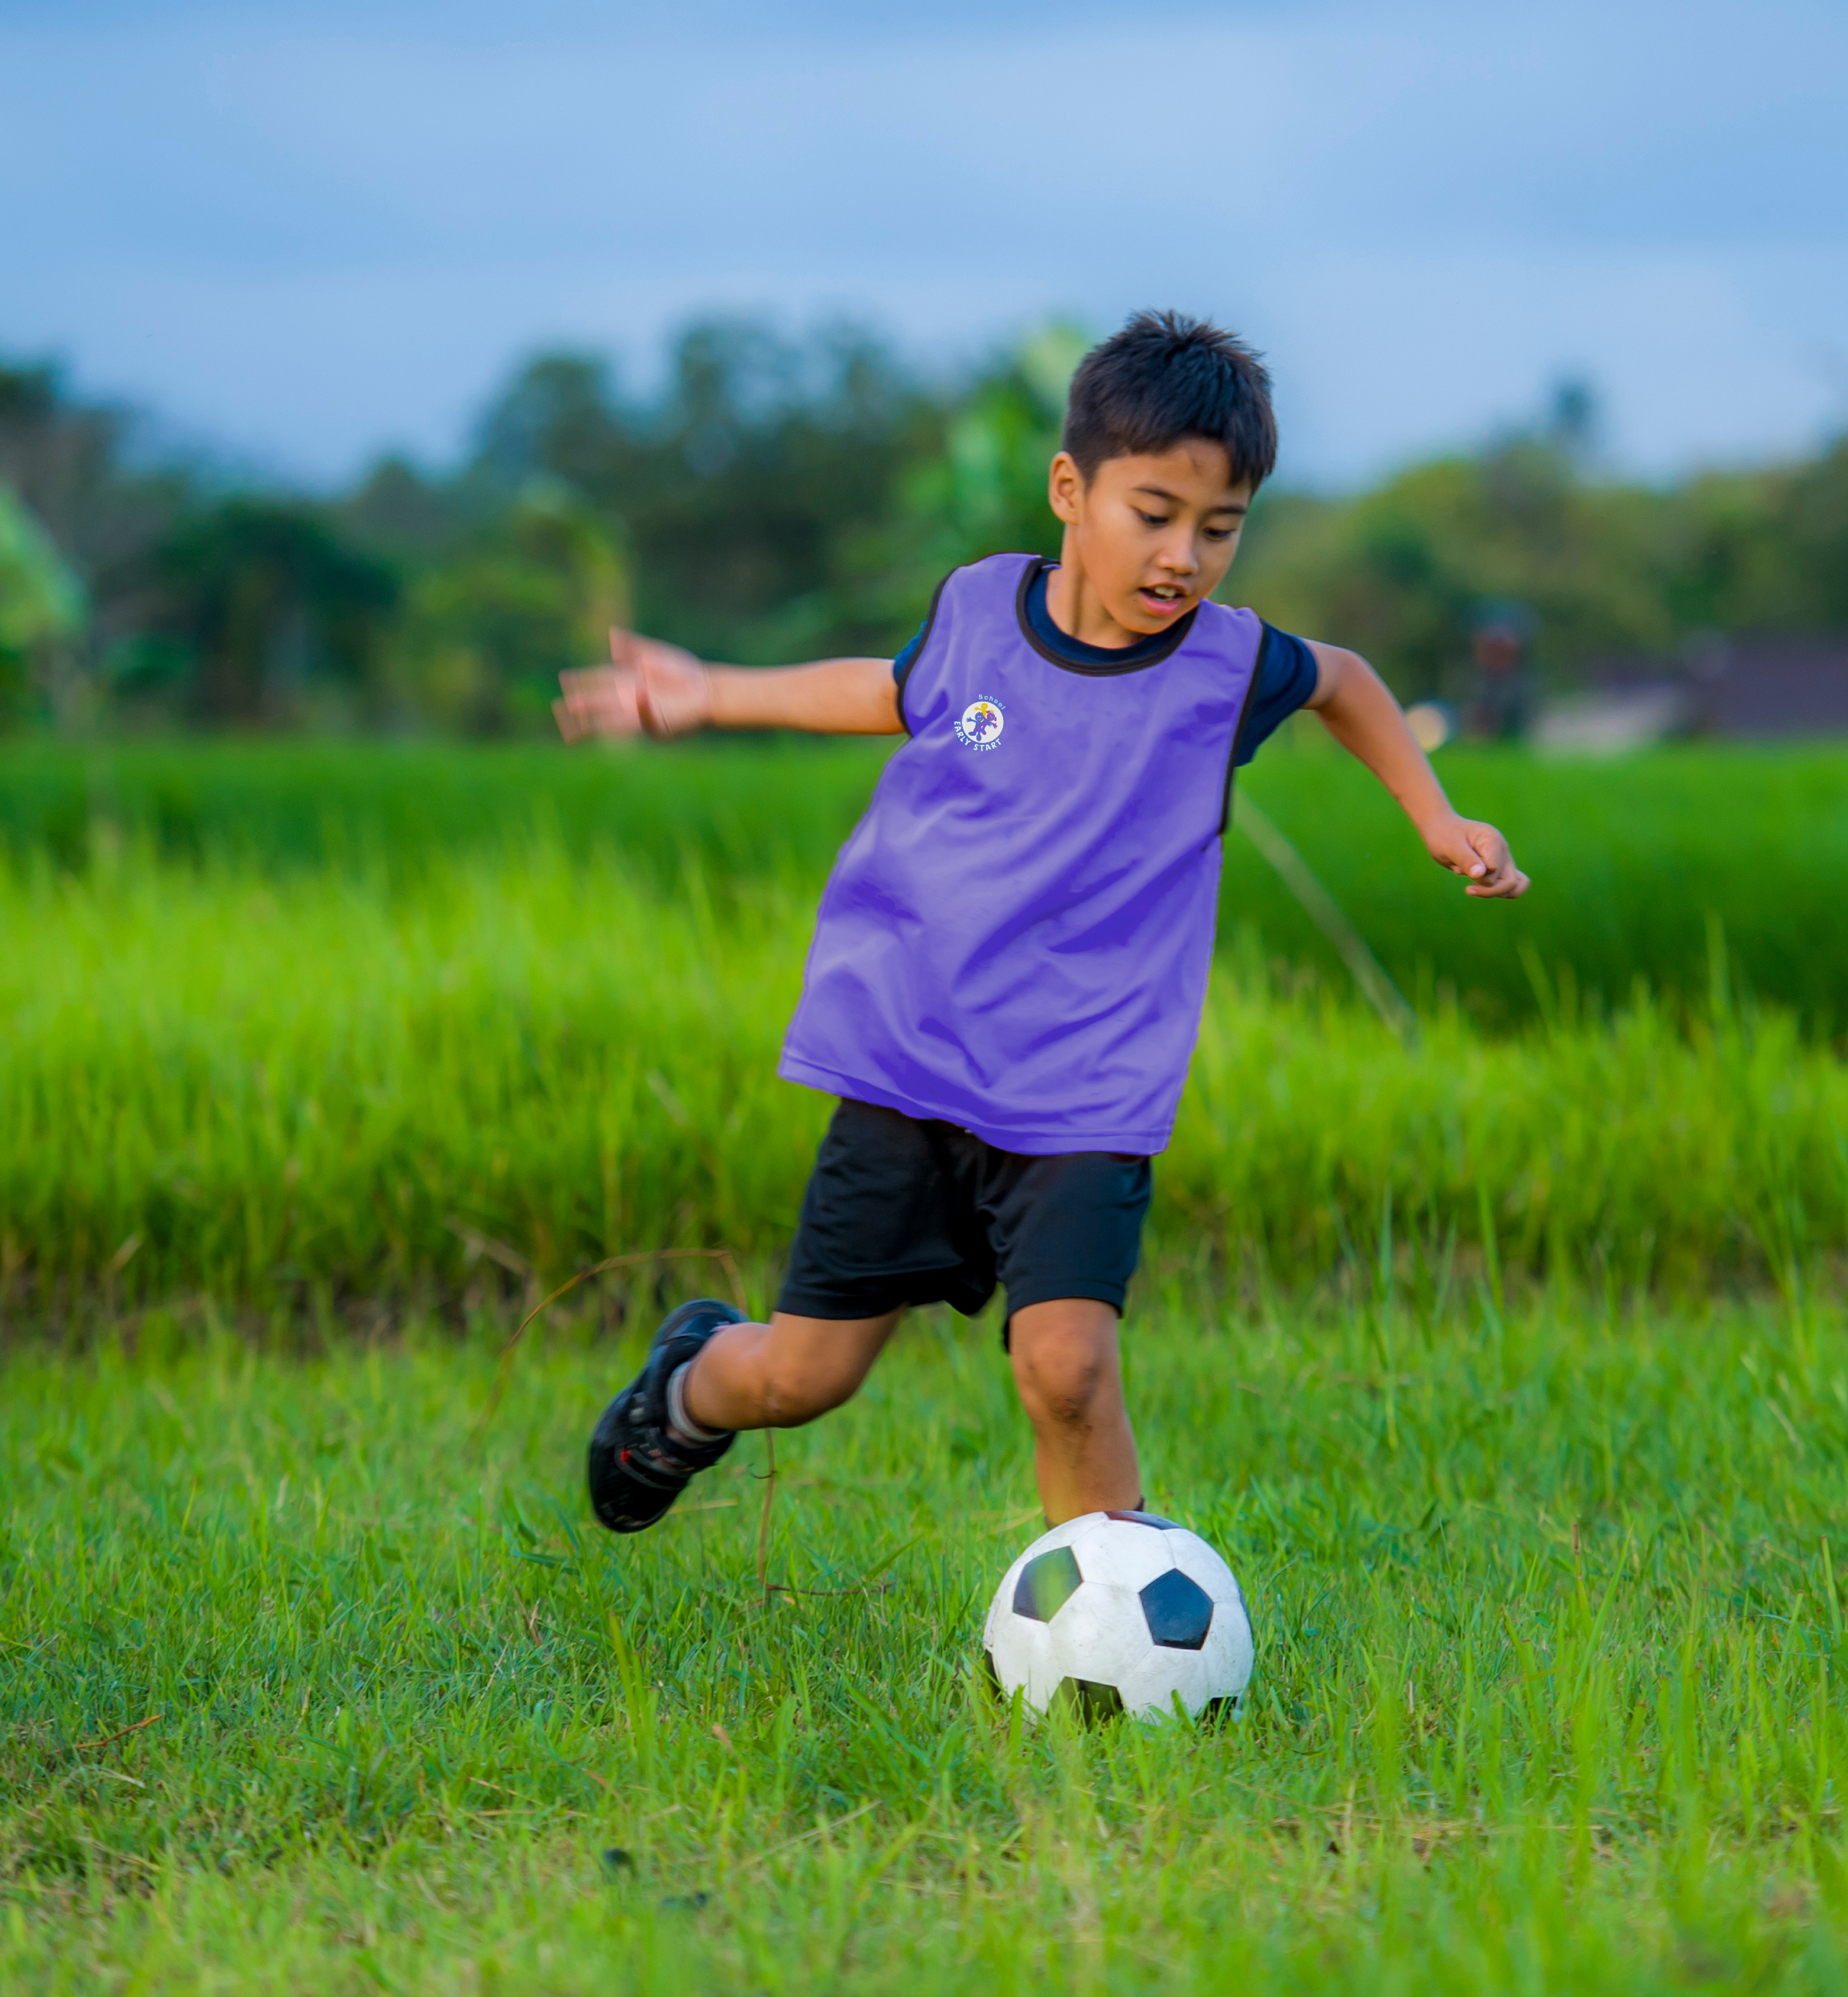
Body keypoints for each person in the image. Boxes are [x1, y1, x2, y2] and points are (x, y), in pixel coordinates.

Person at [553, 311, 1528, 1535]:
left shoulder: (1227, 668)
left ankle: (1105, 1635)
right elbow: (885, 692)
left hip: (1087, 1084)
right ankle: (689, 1389)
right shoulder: (975, 611)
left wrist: (1435, 817)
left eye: (1220, 529)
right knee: (806, 1376)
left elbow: (1343, 679)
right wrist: (710, 694)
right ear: (1071, 489)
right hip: (914, 1058)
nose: (1185, 556)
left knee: (1065, 1370)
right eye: (1154, 514)